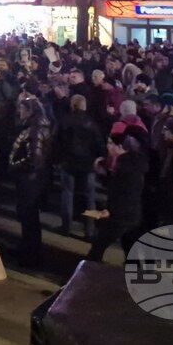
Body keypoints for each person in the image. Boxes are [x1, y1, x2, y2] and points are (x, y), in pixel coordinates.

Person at [87, 127, 148, 261]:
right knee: (131, 250)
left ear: (120, 146)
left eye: (110, 143)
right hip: (132, 215)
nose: (108, 147)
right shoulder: (133, 163)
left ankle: (86, 277)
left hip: (121, 216)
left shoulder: (125, 166)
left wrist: (110, 211)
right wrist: (105, 174)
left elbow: (122, 192)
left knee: (98, 245)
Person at [54, 94, 105, 238]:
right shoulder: (92, 122)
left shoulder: (64, 121)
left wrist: (56, 159)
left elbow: (56, 141)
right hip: (88, 164)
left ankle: (66, 227)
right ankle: (90, 230)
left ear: (72, 105)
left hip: (68, 162)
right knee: (90, 197)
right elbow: (99, 143)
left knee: (67, 194)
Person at [10, 96, 53, 266]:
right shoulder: (36, 127)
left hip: (31, 181)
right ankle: (26, 248)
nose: (19, 112)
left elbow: (34, 159)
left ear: (29, 111)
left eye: (21, 108)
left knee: (29, 216)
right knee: (29, 216)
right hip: (33, 179)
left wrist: (14, 167)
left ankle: (30, 254)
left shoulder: (35, 129)